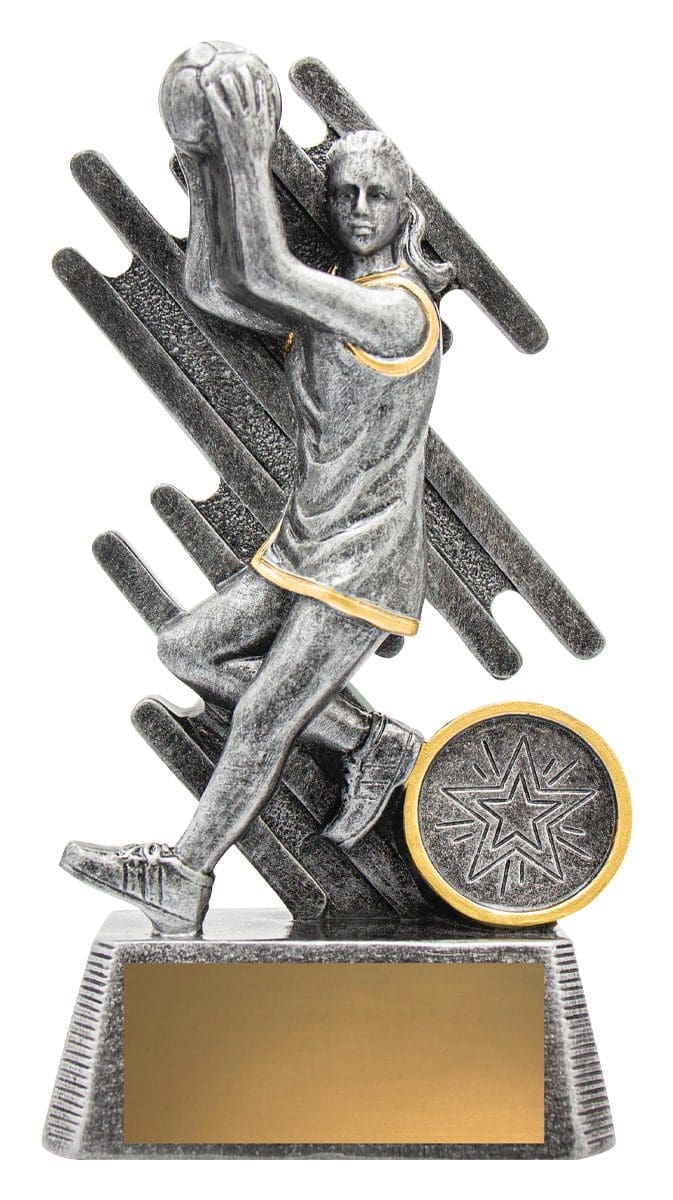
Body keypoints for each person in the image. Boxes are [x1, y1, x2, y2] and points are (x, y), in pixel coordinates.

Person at [61, 42, 456, 935]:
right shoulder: (331, 299)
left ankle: (183, 876)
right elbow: (216, 284)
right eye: (343, 194)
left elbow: (267, 272)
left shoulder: (396, 311)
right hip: (306, 541)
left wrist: (247, 150)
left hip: (363, 562)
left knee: (264, 717)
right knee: (186, 651)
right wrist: (204, 164)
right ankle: (367, 740)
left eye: (377, 195)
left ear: (406, 212)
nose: (358, 210)